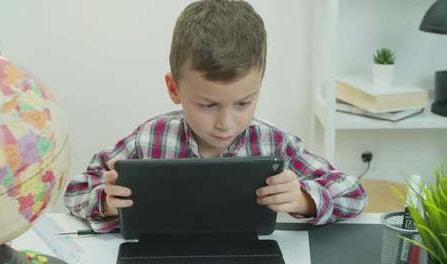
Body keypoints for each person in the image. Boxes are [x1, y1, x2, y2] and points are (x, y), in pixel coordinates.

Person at [64, 0, 366, 233]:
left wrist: (303, 199)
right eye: (208, 105)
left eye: (243, 103)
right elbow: (76, 190)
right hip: (161, 251)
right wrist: (105, 201)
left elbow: (353, 192)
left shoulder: (274, 143)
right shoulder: (148, 138)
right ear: (174, 89)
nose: (226, 123)